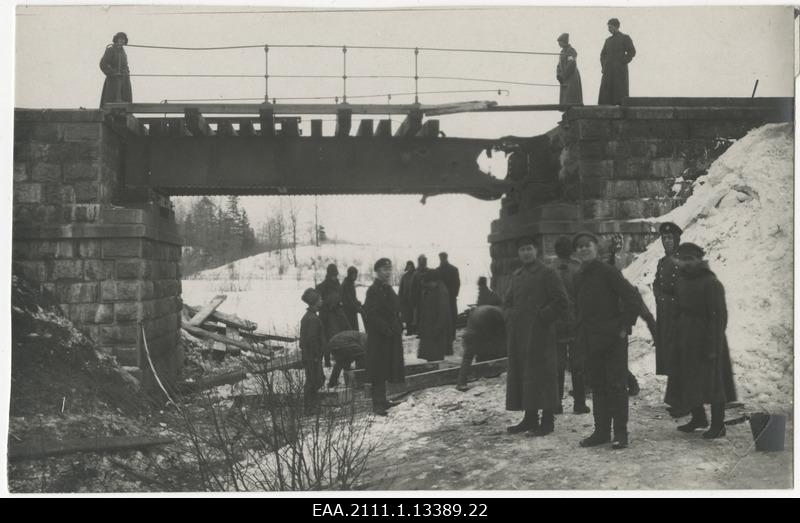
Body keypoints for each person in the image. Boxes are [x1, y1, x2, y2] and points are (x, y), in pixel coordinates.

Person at [572, 231, 641, 450]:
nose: (584, 249)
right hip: (590, 341)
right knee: (598, 386)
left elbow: (632, 298)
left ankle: (620, 432)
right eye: (580, 246)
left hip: (612, 340)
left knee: (617, 386)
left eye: (588, 245)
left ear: (596, 248)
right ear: (577, 252)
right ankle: (601, 431)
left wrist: (623, 326)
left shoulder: (608, 272)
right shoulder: (578, 276)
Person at [664, 243, 736, 439]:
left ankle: (718, 425)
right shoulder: (681, 281)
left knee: (713, 382)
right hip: (685, 337)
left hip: (707, 338)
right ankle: (699, 418)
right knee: (689, 378)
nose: (686, 264)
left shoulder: (711, 283)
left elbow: (719, 317)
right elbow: (677, 309)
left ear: (699, 260)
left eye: (690, 259)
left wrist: (713, 345)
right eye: (683, 259)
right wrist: (675, 333)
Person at [504, 236, 569, 437]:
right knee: (525, 374)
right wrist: (510, 317)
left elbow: (561, 301)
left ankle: (547, 421)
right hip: (520, 336)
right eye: (522, 249)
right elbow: (507, 301)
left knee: (544, 376)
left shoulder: (547, 273)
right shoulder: (517, 275)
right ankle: (530, 418)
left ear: (537, 251)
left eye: (529, 248)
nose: (526, 252)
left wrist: (543, 318)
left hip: (541, 335)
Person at [551, 236, 590, 415]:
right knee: (578, 366)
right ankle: (579, 404)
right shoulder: (578, 268)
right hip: (576, 323)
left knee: (557, 366)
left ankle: (556, 404)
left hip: (557, 324)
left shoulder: (550, 269)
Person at [363, 258, 405, 416]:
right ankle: (377, 404)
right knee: (378, 369)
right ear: (377, 271)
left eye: (389, 269)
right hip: (379, 337)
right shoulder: (373, 290)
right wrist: (385, 329)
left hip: (390, 335)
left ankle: (383, 399)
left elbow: (396, 307)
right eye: (384, 270)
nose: (387, 273)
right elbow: (371, 314)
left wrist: (398, 324)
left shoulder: (387, 288)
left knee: (387, 366)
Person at [653, 222, 682, 377]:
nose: (667, 241)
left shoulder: (684, 260)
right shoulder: (662, 263)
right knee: (668, 351)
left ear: (676, 239)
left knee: (680, 352)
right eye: (664, 238)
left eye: (670, 238)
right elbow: (656, 283)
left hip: (679, 313)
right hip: (665, 314)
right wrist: (659, 297)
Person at [456, 305, 507, 391]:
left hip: (474, 325)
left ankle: (461, 383)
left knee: (468, 356)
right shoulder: (500, 314)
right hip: (482, 325)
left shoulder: (491, 312)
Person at [316, 264, 351, 367]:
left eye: (335, 275)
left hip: (338, 314)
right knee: (326, 338)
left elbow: (341, 297)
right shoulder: (322, 286)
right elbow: (320, 302)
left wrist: (338, 302)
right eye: (333, 275)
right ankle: (327, 361)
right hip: (327, 315)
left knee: (341, 336)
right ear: (329, 274)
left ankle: (341, 360)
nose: (334, 277)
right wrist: (329, 303)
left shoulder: (338, 285)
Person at [598, 18, 636, 105]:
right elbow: (602, 55)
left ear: (616, 27)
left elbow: (632, 51)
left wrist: (623, 61)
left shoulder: (625, 38)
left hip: (619, 70)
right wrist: (604, 66)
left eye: (610, 27)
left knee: (619, 91)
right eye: (608, 27)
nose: (609, 29)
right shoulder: (608, 41)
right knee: (606, 92)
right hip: (608, 70)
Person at [417, 269, 452, 362]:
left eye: (429, 283)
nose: (427, 286)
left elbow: (443, 314)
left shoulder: (441, 291)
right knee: (430, 358)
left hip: (436, 332)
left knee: (436, 359)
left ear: (435, 281)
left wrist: (436, 330)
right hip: (429, 329)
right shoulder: (432, 289)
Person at [299, 288, 326, 408]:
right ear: (315, 302)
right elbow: (311, 340)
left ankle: (311, 405)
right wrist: (316, 355)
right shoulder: (312, 318)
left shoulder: (310, 316)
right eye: (320, 299)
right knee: (313, 381)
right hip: (312, 355)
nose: (322, 301)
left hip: (310, 354)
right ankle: (310, 407)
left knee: (314, 379)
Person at [437, 252, 461, 354]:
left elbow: (457, 283)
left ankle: (446, 342)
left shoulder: (438, 270)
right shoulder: (453, 269)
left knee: (446, 320)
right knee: (451, 319)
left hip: (444, 299)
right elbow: (457, 283)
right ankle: (450, 340)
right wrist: (454, 294)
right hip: (450, 299)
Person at [100, 32, 132, 106]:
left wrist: (127, 72)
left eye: (123, 39)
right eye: (120, 39)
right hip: (113, 80)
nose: (122, 41)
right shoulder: (110, 50)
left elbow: (126, 65)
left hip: (124, 79)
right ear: (116, 40)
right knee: (111, 100)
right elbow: (103, 64)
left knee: (125, 99)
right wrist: (113, 72)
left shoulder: (123, 52)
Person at [556, 33, 583, 106]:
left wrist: (564, 75)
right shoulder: (562, 52)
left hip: (571, 77)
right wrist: (559, 74)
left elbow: (571, 63)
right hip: (564, 78)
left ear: (564, 42)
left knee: (571, 96)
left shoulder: (571, 51)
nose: (559, 44)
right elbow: (558, 65)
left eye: (560, 42)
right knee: (566, 97)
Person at [410, 254, 431, 336]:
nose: (423, 262)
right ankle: (420, 331)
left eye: (424, 260)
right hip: (419, 299)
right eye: (421, 261)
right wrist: (413, 299)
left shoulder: (429, 271)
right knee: (419, 316)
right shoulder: (416, 273)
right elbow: (412, 288)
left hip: (428, 298)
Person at [341, 266, 362, 332]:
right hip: (348, 312)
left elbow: (353, 297)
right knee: (351, 330)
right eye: (354, 275)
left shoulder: (351, 283)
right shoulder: (346, 284)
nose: (356, 277)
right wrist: (357, 308)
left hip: (352, 310)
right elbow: (348, 299)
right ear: (350, 274)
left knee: (354, 329)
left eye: (356, 275)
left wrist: (357, 302)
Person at [398, 261, 416, 335]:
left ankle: (415, 330)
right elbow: (401, 288)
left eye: (411, 266)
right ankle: (409, 331)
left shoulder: (416, 275)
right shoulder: (404, 276)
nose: (409, 268)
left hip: (414, 299)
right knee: (407, 316)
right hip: (406, 300)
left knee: (414, 316)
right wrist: (399, 298)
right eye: (408, 266)